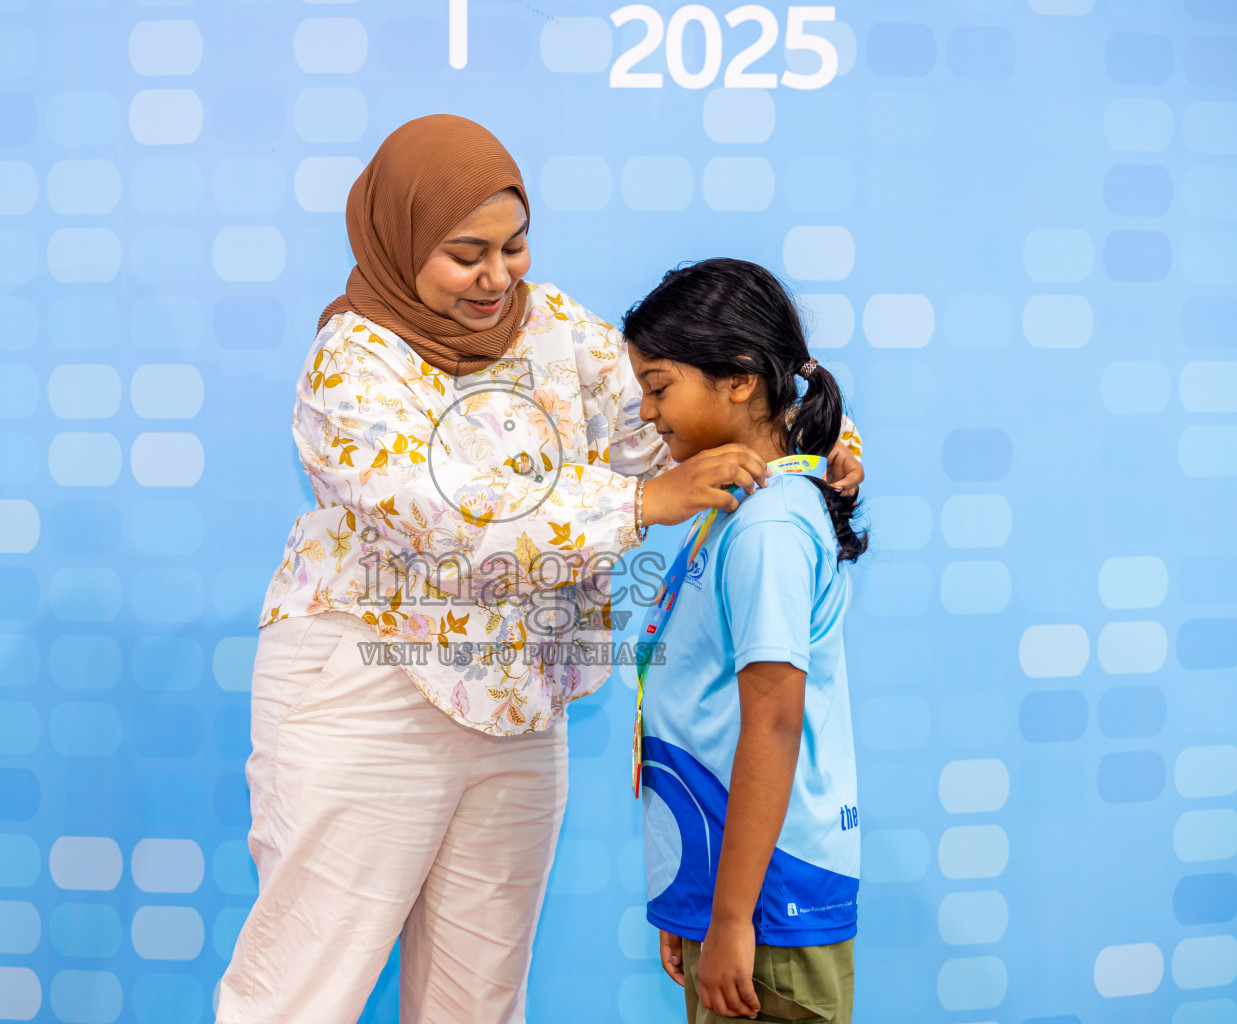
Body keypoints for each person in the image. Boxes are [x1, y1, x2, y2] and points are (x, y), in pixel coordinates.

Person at [215, 117, 866, 1024]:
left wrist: (805, 449)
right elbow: (444, 517)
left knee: (478, 1002)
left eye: (513, 247)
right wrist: (639, 505)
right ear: (401, 243)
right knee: (304, 987)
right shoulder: (351, 365)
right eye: (465, 254)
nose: (497, 277)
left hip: (519, 709)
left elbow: (677, 415)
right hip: (371, 696)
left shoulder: (553, 327)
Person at [625, 258, 868, 1024]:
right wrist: (694, 903)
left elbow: (771, 721)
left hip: (770, 904)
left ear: (737, 377)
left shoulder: (765, 527)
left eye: (658, 387)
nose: (646, 412)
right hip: (734, 891)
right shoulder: (729, 512)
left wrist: (730, 920)